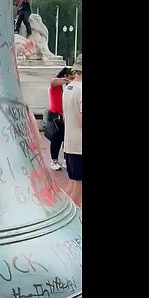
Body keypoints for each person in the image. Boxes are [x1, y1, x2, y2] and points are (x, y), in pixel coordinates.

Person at [61, 63, 83, 206]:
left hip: (69, 142)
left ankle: (63, 208)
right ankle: (73, 216)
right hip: (80, 143)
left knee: (72, 181)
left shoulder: (68, 88)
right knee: (79, 183)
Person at [44, 67, 73, 170]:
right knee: (56, 139)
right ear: (65, 75)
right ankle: (54, 161)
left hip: (65, 116)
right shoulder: (56, 85)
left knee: (66, 139)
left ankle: (66, 160)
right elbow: (52, 82)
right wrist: (66, 80)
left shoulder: (68, 88)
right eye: (71, 75)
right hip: (55, 115)